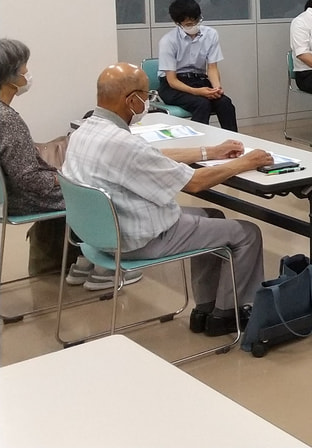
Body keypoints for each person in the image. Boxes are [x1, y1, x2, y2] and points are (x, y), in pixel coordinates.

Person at [62, 63, 274, 335]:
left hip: (98, 234)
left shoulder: (85, 130)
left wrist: (210, 152)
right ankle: (228, 314)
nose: (148, 102)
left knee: (213, 217)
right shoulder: (123, 144)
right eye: (146, 95)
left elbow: (150, 157)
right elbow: (195, 183)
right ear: (131, 100)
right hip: (136, 238)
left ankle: (206, 308)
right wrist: (245, 162)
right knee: (247, 233)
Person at [0, 38, 75, 276]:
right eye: (24, 69)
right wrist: (64, 177)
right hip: (24, 199)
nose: (28, 74)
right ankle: (102, 262)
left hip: (13, 193)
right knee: (99, 191)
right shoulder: (7, 119)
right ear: (11, 78)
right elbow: (29, 178)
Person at [157, 0, 237, 131]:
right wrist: (197, 92)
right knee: (202, 104)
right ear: (178, 23)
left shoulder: (211, 34)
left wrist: (217, 88)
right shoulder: (168, 41)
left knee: (225, 103)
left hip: (198, 80)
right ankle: (199, 145)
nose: (194, 26)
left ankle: (235, 144)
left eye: (197, 21)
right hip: (173, 86)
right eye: (188, 24)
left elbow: (212, 68)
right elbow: (171, 80)